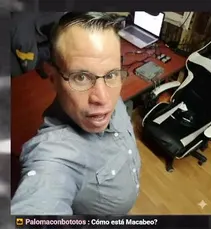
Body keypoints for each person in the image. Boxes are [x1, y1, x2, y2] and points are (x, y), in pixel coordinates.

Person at [12, 12, 142, 216]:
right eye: (81, 77)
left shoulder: (106, 92)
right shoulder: (54, 155)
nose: (103, 98)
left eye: (111, 74)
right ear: (53, 78)